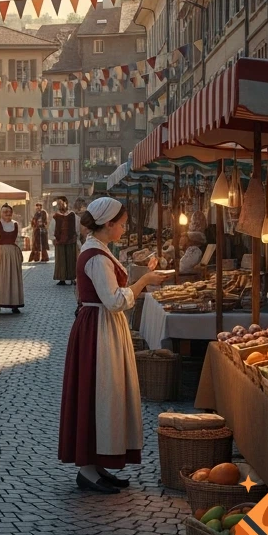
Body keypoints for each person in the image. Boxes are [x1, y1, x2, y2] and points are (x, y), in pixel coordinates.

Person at [58, 197, 170, 494]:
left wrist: (141, 272)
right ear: (108, 224)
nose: (124, 227)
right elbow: (115, 300)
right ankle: (87, 468)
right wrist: (144, 280)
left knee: (103, 394)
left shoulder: (98, 249)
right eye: (121, 224)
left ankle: (95, 464)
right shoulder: (95, 255)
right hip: (99, 328)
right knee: (101, 392)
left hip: (101, 326)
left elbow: (111, 288)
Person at [0, 204, 24, 315]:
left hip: (13, 253)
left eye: (9, 212)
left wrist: (19, 253)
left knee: (13, 277)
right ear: (1, 213)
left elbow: (19, 240)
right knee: (0, 277)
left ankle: (14, 304)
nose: (8, 214)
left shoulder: (16, 225)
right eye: (5, 212)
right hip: (1, 253)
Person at [53, 197, 78, 286]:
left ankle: (72, 278)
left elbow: (76, 226)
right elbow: (53, 227)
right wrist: (54, 238)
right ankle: (62, 279)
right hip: (60, 240)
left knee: (71, 260)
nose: (60, 206)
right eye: (58, 204)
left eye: (61, 203)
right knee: (61, 260)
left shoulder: (71, 214)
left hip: (70, 240)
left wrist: (75, 236)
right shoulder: (56, 215)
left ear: (66, 203)